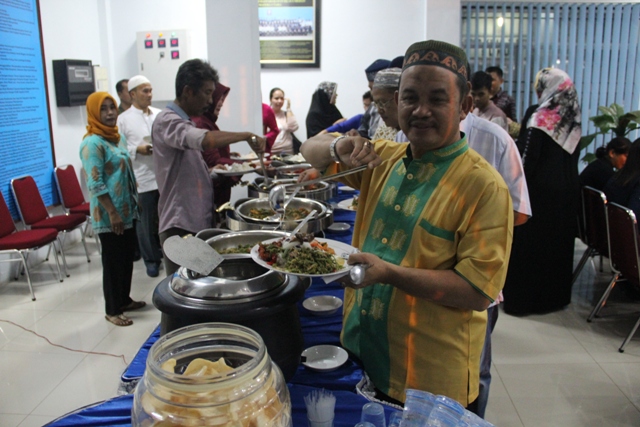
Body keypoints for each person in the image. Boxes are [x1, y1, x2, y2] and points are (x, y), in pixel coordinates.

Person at [301, 40, 513, 410]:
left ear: (464, 106)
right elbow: (309, 150)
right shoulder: (382, 158)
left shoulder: (484, 186)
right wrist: (340, 150)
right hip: (362, 349)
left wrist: (390, 273)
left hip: (427, 379)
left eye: (437, 99)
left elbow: (477, 290)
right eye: (410, 97)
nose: (421, 111)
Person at [152, 59, 265, 276]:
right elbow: (202, 140)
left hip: (195, 221)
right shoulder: (167, 120)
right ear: (187, 91)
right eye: (206, 92)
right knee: (183, 292)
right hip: (180, 225)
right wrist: (245, 135)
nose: (211, 100)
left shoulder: (184, 121)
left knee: (200, 288)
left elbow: (189, 171)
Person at [503, 68, 582, 316]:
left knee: (531, 250)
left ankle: (524, 302)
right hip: (566, 195)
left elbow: (527, 162)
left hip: (538, 196)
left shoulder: (541, 120)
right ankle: (554, 299)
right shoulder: (573, 120)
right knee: (556, 249)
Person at [80, 92, 144, 327]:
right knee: (113, 261)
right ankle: (112, 310)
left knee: (126, 258)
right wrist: (113, 212)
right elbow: (95, 183)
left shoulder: (117, 139)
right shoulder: (92, 143)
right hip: (109, 214)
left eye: (112, 108)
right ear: (94, 113)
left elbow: (126, 171)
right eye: (103, 109)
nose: (109, 113)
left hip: (127, 210)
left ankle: (124, 300)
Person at [116, 75, 163, 278]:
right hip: (141, 178)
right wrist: (137, 149)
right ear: (132, 94)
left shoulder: (159, 115)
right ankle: (151, 260)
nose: (149, 95)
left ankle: (168, 254)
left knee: (164, 220)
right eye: (145, 91)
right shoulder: (123, 119)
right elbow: (118, 149)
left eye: (151, 90)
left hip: (163, 177)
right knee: (144, 223)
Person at [192, 82, 242, 212]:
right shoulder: (201, 123)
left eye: (222, 100)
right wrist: (246, 165)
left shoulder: (207, 121)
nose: (220, 103)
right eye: (218, 99)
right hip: (210, 193)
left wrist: (229, 156)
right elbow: (212, 160)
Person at [604, 139, 640, 219]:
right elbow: (634, 218)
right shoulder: (637, 183)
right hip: (627, 229)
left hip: (610, 227)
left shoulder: (617, 177)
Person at [358, 59, 390, 138]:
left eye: (375, 88)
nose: (372, 93)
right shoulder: (372, 108)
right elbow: (363, 130)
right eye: (371, 88)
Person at [370, 68, 402, 141]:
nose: (379, 110)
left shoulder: (420, 133)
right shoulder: (382, 132)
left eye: (382, 103)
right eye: (376, 104)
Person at [269, 87, 299, 155]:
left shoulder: (286, 114)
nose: (279, 101)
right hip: (272, 152)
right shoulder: (266, 115)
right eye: (276, 98)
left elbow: (293, 127)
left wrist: (288, 108)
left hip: (287, 152)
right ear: (271, 99)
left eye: (282, 98)